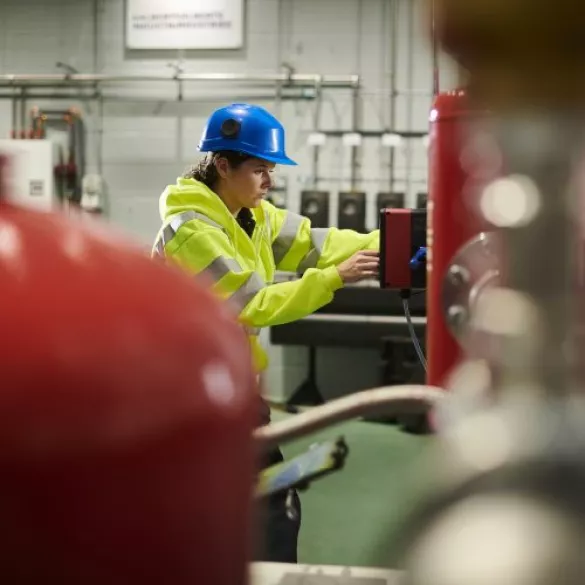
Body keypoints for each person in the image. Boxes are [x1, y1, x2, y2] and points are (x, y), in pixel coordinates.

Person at [152, 103, 380, 563]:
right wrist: (335, 278)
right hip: (186, 396)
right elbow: (250, 305)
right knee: (271, 506)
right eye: (259, 170)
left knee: (249, 506)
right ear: (222, 164)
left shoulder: (252, 217)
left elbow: (320, 242)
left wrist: (401, 239)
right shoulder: (190, 230)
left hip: (227, 389)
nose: (269, 181)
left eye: (270, 170)